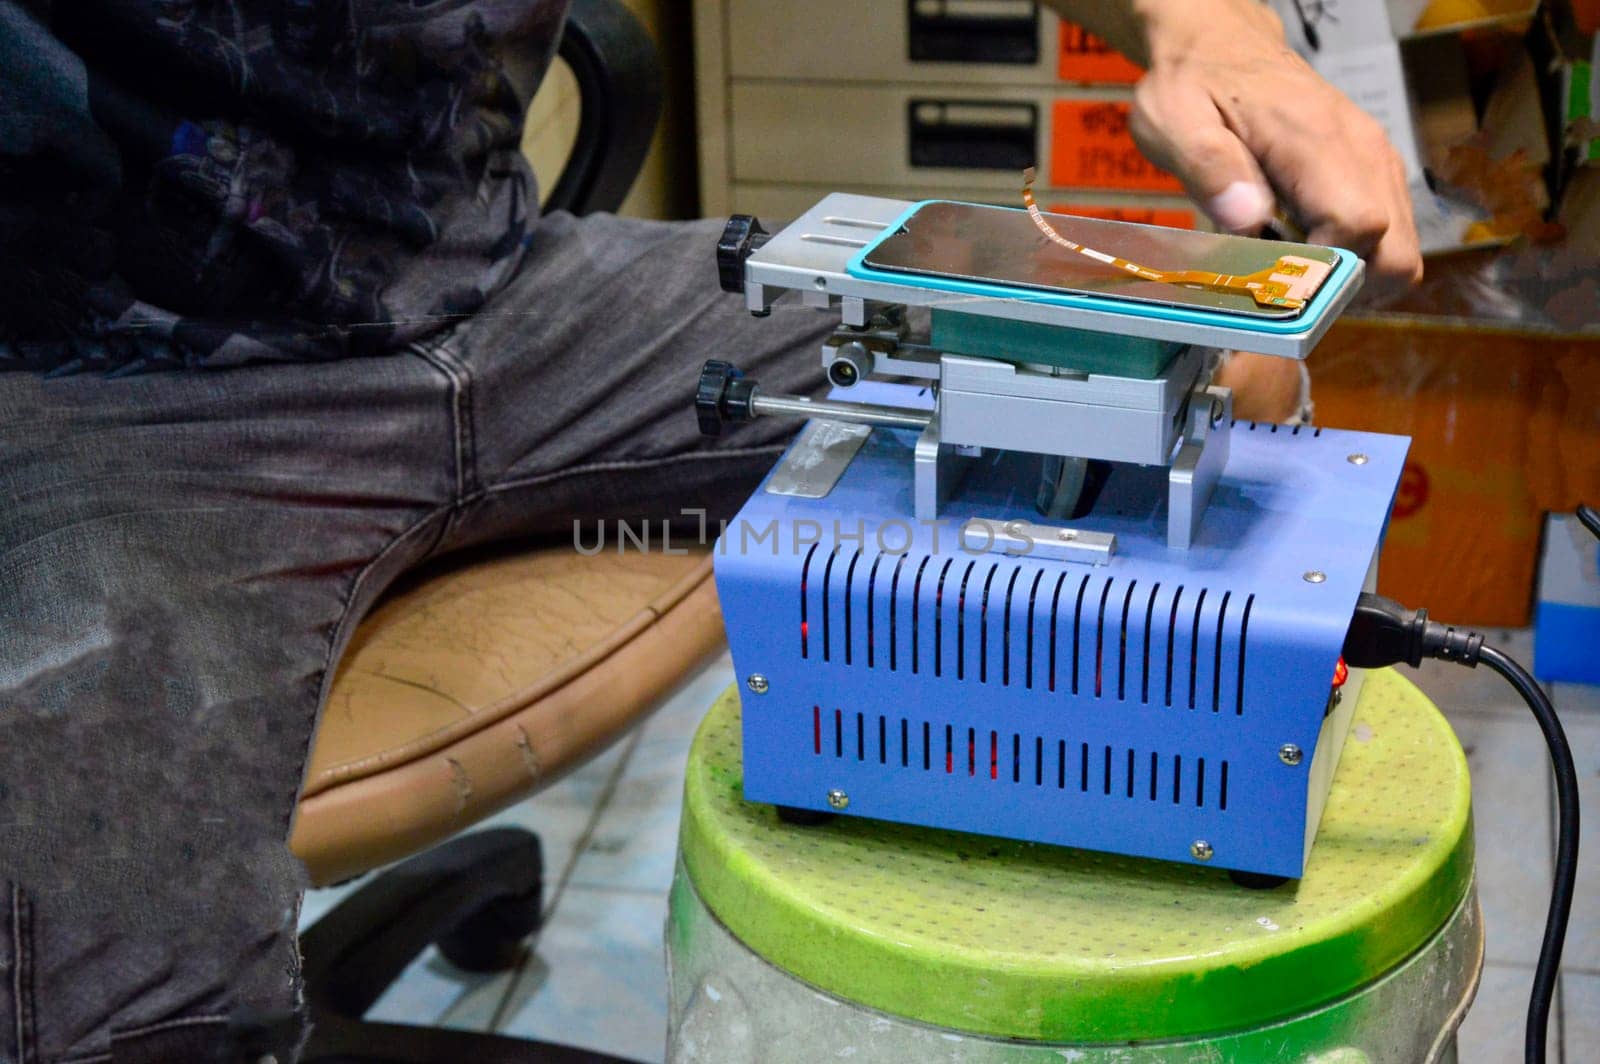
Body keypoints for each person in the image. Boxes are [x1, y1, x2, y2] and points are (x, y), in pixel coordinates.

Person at [0, 1, 1421, 1060]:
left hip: (507, 290)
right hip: (120, 374)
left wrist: (1202, 25)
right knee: (114, 970)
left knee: (1198, 374)